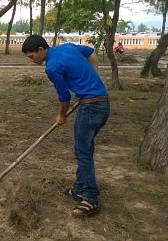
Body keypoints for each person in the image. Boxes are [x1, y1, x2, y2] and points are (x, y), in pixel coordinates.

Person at [21, 34, 109, 217]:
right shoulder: (67, 47)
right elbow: (91, 52)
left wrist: (61, 115)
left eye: (32, 57)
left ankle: (91, 198)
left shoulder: (52, 67)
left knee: (82, 151)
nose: (32, 61)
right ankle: (79, 188)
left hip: (91, 107)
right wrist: (94, 74)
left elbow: (64, 97)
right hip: (103, 104)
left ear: (40, 50)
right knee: (84, 148)